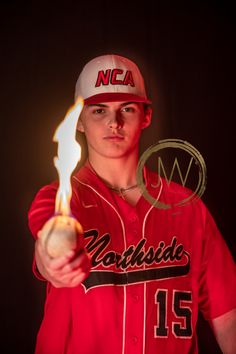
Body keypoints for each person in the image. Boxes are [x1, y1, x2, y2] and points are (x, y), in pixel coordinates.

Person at [28, 54, 236, 354]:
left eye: (127, 108)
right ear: (79, 122)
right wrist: (52, 257)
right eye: (99, 110)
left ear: (146, 115)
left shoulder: (187, 208)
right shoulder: (57, 198)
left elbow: (228, 316)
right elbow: (47, 238)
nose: (114, 122)